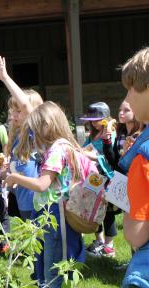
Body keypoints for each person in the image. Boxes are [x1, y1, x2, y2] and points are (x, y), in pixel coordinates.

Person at [0, 101, 86, 288]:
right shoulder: (56, 147)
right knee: (44, 264)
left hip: (55, 215)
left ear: (47, 126)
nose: (32, 135)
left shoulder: (57, 150)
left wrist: (14, 177)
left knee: (52, 270)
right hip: (48, 212)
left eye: (34, 129)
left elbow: (43, 185)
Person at [0, 55, 43, 221]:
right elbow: (14, 169)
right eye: (11, 110)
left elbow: (27, 106)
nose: (13, 115)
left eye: (18, 110)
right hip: (22, 200)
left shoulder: (35, 132)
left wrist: (5, 78)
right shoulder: (17, 137)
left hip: (38, 201)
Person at [119, 47, 149, 287]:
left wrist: (126, 209)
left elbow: (137, 234)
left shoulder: (143, 157)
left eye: (130, 89)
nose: (127, 98)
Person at [79, 102, 118, 258]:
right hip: (94, 177)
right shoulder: (92, 135)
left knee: (108, 212)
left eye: (97, 119)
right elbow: (84, 149)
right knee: (93, 209)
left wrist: (90, 155)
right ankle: (99, 241)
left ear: (105, 119)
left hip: (107, 176)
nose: (94, 123)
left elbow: (111, 156)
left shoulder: (111, 133)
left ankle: (109, 246)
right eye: (91, 120)